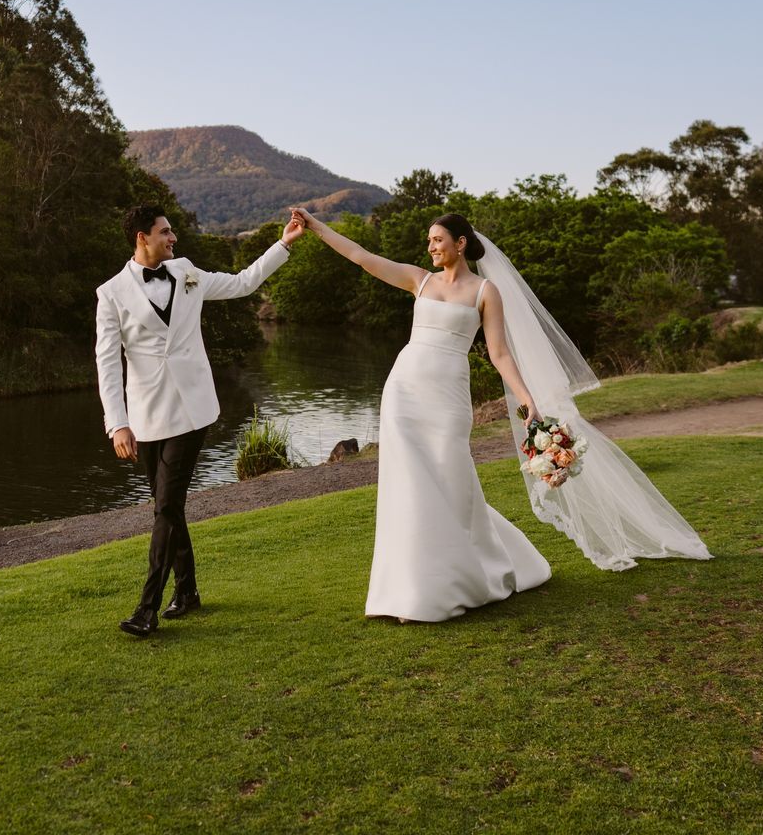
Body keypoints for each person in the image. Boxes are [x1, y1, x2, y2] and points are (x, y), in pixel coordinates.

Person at [290, 208, 710, 622]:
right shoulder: (420, 280)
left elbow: (500, 353)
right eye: (429, 241)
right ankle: (413, 592)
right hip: (404, 390)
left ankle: (476, 571)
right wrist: (316, 226)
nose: (431, 246)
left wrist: (527, 398)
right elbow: (361, 256)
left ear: (461, 243)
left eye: (438, 239)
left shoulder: (485, 291)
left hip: (448, 393)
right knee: (407, 482)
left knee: (452, 480)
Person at [94, 205, 306, 636]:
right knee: (166, 508)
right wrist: (117, 423)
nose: (174, 239)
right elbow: (107, 363)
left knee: (167, 505)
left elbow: (245, 283)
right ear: (142, 237)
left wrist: (284, 243)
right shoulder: (111, 293)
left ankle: (147, 608)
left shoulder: (187, 272)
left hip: (193, 409)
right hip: (147, 415)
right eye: (165, 232)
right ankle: (187, 591)